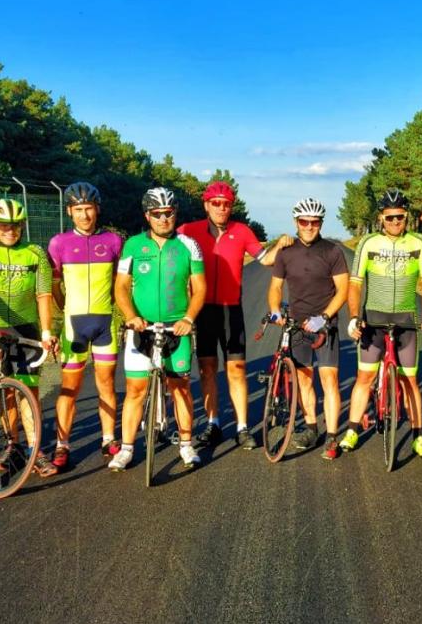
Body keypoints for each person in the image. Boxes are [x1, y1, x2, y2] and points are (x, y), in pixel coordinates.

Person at [178, 180, 287, 451]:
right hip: (202, 311)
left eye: (226, 204)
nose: (221, 208)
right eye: (215, 203)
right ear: (206, 205)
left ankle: (242, 426)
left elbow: (265, 259)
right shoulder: (187, 231)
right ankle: (213, 423)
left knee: (236, 369)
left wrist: (283, 244)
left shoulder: (241, 231)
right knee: (207, 370)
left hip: (231, 309)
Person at [109, 187, 206, 472]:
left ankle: (186, 445)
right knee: (135, 389)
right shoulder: (133, 246)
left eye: (169, 213)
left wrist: (188, 318)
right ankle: (127, 448)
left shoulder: (189, 245)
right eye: (157, 214)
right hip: (142, 328)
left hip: (178, 329)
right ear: (147, 216)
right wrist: (130, 316)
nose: (164, 219)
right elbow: (121, 287)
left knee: (181, 389)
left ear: (175, 214)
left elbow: (200, 288)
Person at [338, 188, 422, 459]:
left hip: (406, 320)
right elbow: (355, 284)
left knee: (410, 381)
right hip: (373, 319)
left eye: (400, 217)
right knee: (365, 377)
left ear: (407, 217)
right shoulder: (368, 243)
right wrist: (353, 317)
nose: (395, 222)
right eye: (390, 217)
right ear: (381, 218)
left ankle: (419, 437)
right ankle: (352, 430)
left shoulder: (418, 243)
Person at [0, 198, 57, 476]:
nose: (10, 230)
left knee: (29, 391)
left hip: (26, 327)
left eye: (16, 225)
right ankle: (12, 444)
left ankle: (35, 449)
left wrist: (46, 331)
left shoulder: (35, 253)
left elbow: (43, 295)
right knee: (4, 389)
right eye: (4, 225)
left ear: (23, 225)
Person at [47, 181, 124, 470]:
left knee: (106, 384)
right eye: (78, 210)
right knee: (69, 388)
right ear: (70, 211)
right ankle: (62, 444)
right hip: (74, 325)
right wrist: (65, 311)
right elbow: (55, 286)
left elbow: (120, 282)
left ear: (97, 209)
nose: (84, 215)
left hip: (105, 323)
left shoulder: (114, 241)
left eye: (88, 209)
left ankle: (108, 439)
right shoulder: (59, 243)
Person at [266, 197, 350, 458]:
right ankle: (312, 427)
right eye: (304, 222)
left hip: (324, 325)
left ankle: (333, 435)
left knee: (329, 379)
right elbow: (275, 287)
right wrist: (276, 310)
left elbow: (343, 289)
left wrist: (324, 317)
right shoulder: (286, 252)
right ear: (296, 222)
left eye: (314, 222)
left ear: (321, 223)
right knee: (304, 379)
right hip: (297, 325)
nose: (309, 226)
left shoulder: (332, 251)